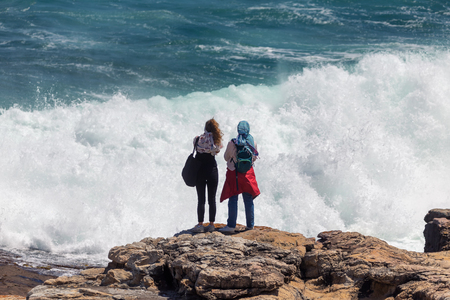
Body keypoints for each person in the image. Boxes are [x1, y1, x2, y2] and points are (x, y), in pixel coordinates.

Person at [219, 120, 260, 233]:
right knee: (248, 199)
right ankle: (250, 225)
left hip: (234, 173)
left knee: (233, 198)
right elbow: (255, 158)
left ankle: (231, 226)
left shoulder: (232, 142)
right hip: (247, 174)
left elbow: (226, 157)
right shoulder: (253, 142)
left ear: (238, 130)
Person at [191, 118, 223, 233]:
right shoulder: (215, 140)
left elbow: (196, 148)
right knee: (212, 199)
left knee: (201, 199)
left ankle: (200, 225)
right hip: (212, 170)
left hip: (200, 171)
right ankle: (211, 224)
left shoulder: (197, 139)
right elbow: (217, 151)